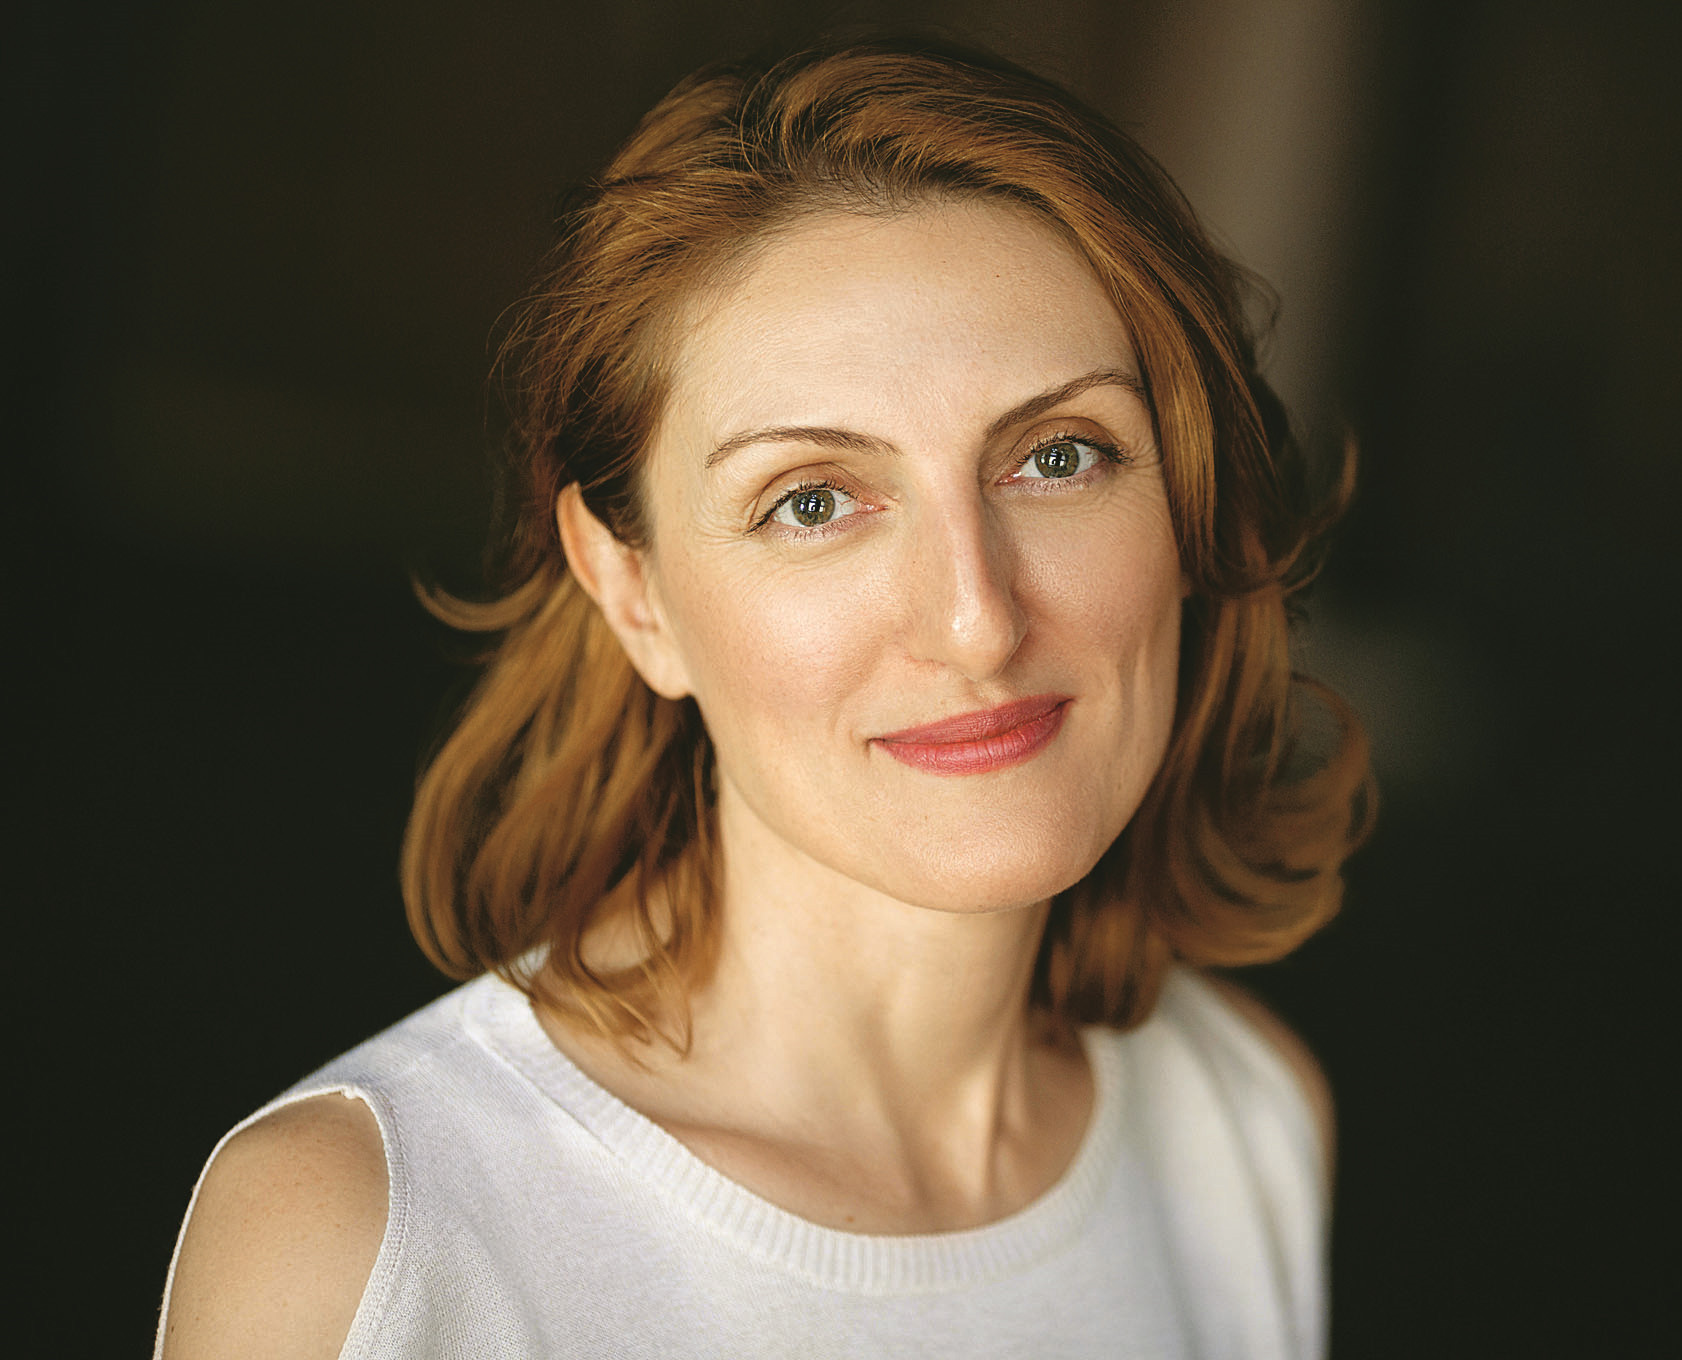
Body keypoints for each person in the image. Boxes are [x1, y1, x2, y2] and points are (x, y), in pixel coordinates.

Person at [155, 36, 1373, 1360]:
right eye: (812, 501)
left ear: (1188, 504)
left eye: (1059, 457)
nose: (976, 619)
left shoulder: (1243, 1122)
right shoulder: (364, 1236)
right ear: (633, 592)